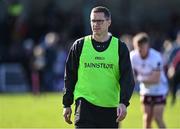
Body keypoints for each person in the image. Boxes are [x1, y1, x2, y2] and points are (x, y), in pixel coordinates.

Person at [62, 6, 135, 128]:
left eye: (100, 21)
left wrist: (123, 103)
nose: (96, 24)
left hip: (110, 108)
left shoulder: (119, 47)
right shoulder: (79, 45)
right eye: (93, 21)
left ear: (109, 22)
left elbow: (127, 78)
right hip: (84, 106)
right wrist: (67, 104)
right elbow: (69, 76)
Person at [130, 32, 168, 129]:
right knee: (147, 118)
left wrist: (138, 79)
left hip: (159, 90)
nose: (140, 50)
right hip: (146, 90)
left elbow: (155, 79)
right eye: (137, 47)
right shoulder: (133, 56)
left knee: (157, 117)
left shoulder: (156, 57)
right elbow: (130, 74)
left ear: (147, 45)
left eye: (142, 47)